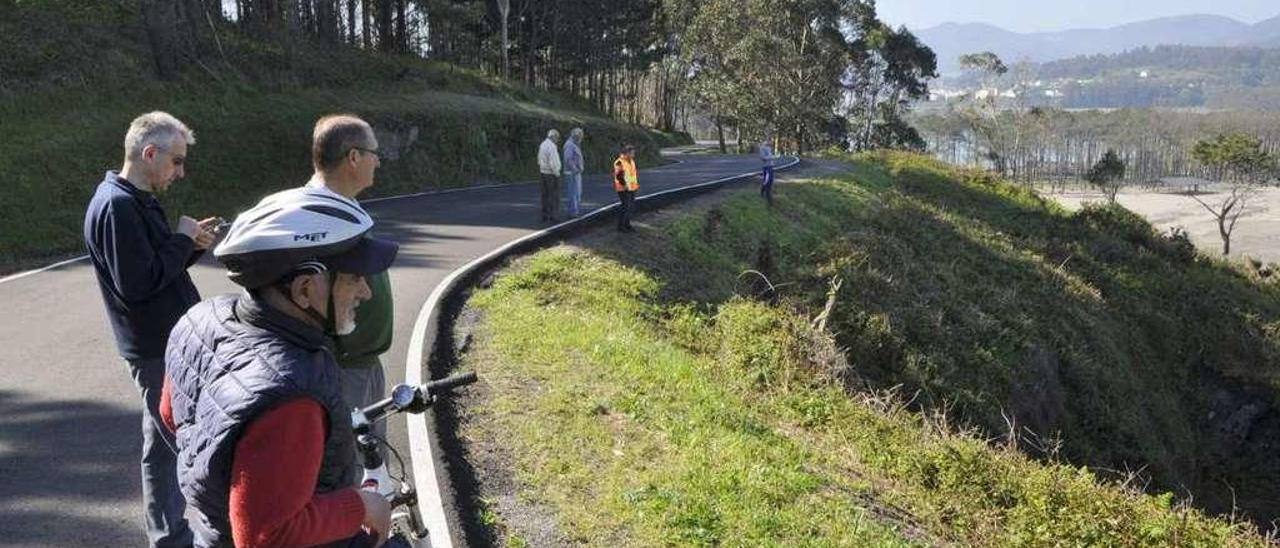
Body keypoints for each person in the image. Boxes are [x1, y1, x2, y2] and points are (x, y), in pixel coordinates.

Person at [161, 187, 398, 548]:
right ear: (304, 289)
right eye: (354, 278)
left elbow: (173, 414)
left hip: (210, 534)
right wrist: (360, 505)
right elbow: (265, 536)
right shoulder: (292, 393)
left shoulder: (200, 319)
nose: (365, 292)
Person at [83, 111, 217, 548]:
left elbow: (159, 273)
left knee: (163, 445)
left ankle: (169, 534)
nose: (181, 171)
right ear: (149, 153)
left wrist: (188, 247)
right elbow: (136, 285)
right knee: (177, 446)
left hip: (166, 343)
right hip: (154, 348)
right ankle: (174, 538)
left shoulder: (135, 200)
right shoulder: (117, 205)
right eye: (176, 161)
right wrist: (181, 239)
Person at [304, 114, 395, 483]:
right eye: (374, 153)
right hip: (343, 366)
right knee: (354, 469)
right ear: (354, 157)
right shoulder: (315, 213)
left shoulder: (343, 206)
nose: (379, 161)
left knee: (374, 463)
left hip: (365, 360)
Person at [612, 144, 640, 232]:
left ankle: (627, 224)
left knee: (630, 207)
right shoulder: (619, 162)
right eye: (632, 153)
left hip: (632, 188)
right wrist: (625, 185)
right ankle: (621, 226)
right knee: (625, 207)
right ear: (627, 153)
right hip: (623, 189)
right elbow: (619, 176)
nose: (634, 155)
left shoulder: (631, 161)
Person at [537, 129, 562, 223]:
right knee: (554, 195)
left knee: (545, 195)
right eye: (557, 138)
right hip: (551, 174)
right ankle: (553, 216)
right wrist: (557, 173)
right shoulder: (552, 147)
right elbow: (553, 162)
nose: (558, 140)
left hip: (543, 172)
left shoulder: (542, 144)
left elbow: (539, 159)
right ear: (553, 136)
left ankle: (545, 215)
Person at [562, 127, 585, 217]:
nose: (581, 139)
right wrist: (575, 169)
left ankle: (575, 211)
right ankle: (573, 212)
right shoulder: (569, 145)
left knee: (577, 193)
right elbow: (568, 159)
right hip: (572, 173)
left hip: (575, 173)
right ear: (576, 136)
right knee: (573, 193)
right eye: (580, 137)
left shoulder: (574, 144)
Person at [759, 137, 777, 205]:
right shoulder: (762, 148)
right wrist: (771, 157)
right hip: (766, 167)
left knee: (771, 181)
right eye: (771, 141)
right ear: (767, 141)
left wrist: (772, 157)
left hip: (771, 166)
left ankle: (769, 196)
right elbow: (763, 158)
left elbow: (770, 156)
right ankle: (764, 193)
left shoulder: (769, 148)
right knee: (767, 181)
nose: (772, 143)